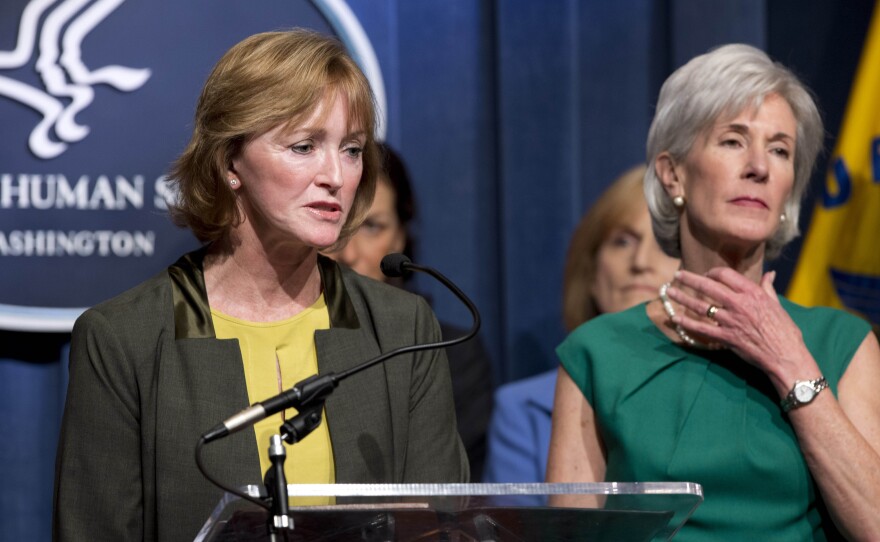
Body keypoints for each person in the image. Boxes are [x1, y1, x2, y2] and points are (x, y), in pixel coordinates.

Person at [53, 29, 468, 542]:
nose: (336, 175)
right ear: (230, 161)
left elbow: (441, 529)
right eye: (304, 146)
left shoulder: (402, 328)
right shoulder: (124, 339)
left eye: (352, 149)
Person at [547, 44, 880, 540]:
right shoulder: (598, 354)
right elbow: (570, 536)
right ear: (672, 173)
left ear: (789, 190)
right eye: (732, 141)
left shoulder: (842, 345)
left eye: (780, 150)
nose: (759, 167)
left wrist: (790, 362)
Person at [482, 165, 679, 488]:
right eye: (623, 241)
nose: (641, 261)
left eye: (665, 244)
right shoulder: (521, 410)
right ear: (590, 271)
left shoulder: (719, 396)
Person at [329, 143, 495, 480]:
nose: (349, 253)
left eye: (372, 226)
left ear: (401, 237)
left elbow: (447, 496)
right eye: (336, 222)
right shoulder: (280, 340)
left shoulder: (451, 351)